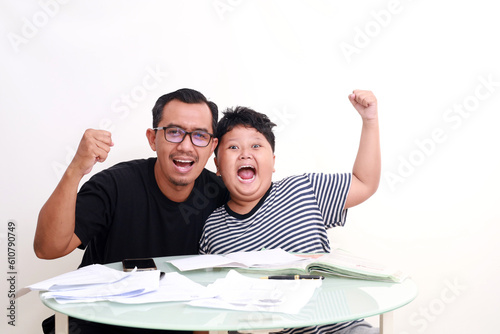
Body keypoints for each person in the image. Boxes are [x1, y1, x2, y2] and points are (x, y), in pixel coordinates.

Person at [34, 88, 229, 334]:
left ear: (212, 146)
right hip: (97, 322)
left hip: (176, 326)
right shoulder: (115, 185)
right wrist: (75, 170)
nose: (186, 146)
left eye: (199, 135)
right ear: (152, 138)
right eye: (174, 132)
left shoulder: (220, 194)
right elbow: (47, 248)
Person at [199, 90, 380, 334]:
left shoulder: (305, 189)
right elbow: (207, 301)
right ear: (218, 166)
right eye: (233, 147)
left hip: (339, 327)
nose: (245, 153)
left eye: (256, 145)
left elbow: (364, 182)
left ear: (273, 162)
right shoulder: (213, 228)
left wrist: (370, 121)